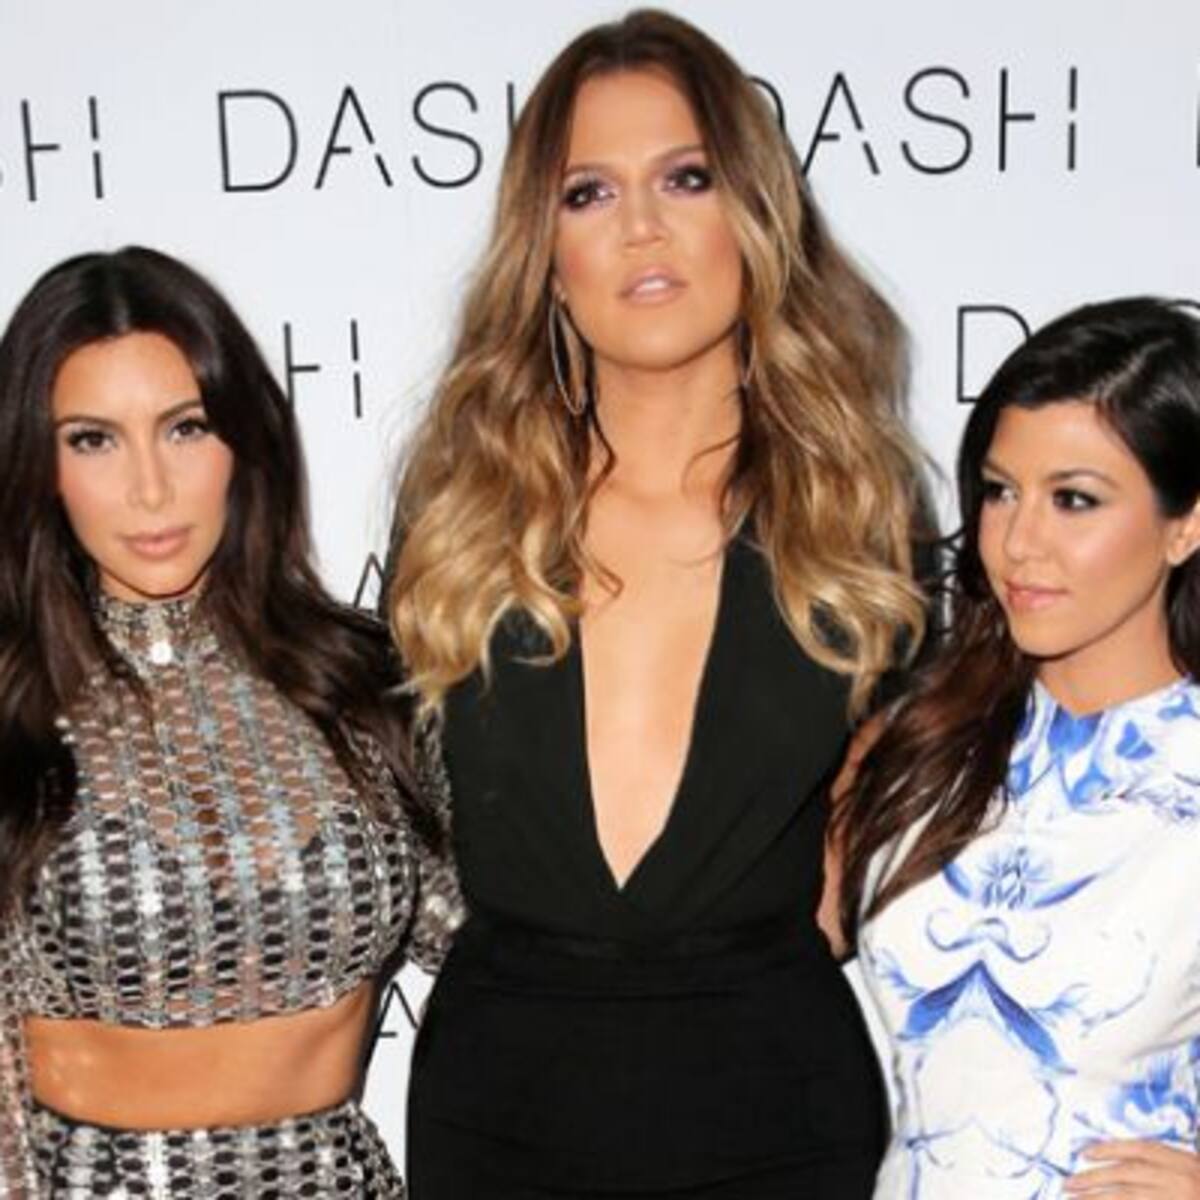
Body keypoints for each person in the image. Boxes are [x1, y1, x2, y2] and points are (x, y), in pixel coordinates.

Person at [387, 9, 927, 1197]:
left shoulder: (856, 514)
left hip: (777, 1111)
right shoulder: (463, 509)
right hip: (501, 1114)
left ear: (754, 211)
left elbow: (908, 787)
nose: (642, 226)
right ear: (546, 253)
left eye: (687, 177)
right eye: (588, 193)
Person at [0, 246, 460, 1198]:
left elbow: (500, 951)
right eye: (93, 440)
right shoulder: (13, 706)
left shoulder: (363, 682)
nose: (151, 488)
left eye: (186, 428)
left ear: (244, 441)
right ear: (41, 468)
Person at [838, 297, 1200, 1198]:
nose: (1019, 542)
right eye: (1001, 491)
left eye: (1075, 499)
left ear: (1185, 524)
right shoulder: (918, 742)